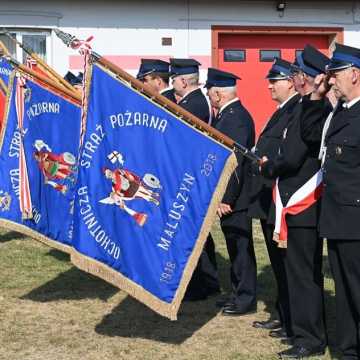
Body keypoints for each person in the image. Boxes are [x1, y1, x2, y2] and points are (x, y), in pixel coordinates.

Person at [259, 45, 329, 358]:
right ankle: (299, 330)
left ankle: (310, 339)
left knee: (303, 275)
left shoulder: (314, 108)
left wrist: (268, 166)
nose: (296, 78)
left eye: (300, 73)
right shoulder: (302, 106)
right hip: (294, 202)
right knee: (295, 272)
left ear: (310, 78)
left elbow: (294, 155)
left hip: (304, 204)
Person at [301, 43, 360, 360]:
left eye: (336, 74)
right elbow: (312, 136)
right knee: (345, 292)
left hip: (356, 220)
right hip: (337, 219)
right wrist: (317, 95)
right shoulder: (341, 112)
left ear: (355, 73)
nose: (331, 79)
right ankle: (348, 349)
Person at [248, 58, 300, 336]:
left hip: (282, 197)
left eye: (274, 80)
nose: (269, 86)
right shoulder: (281, 110)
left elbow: (286, 152)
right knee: (279, 266)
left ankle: (291, 319)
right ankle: (283, 314)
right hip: (269, 197)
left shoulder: (294, 110)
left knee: (286, 265)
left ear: (290, 82)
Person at [205, 67, 256, 316]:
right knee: (234, 246)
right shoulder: (228, 114)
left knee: (241, 248)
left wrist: (227, 198)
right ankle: (237, 293)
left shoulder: (235, 117)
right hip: (232, 196)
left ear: (217, 94)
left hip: (237, 197)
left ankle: (245, 298)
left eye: (210, 91)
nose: (209, 96)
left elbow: (235, 160)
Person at [169, 58, 219, 300]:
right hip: (188, 173)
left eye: (174, 79)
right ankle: (204, 280)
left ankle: (202, 283)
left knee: (194, 232)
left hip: (191, 175)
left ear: (185, 80)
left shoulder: (196, 103)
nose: (173, 83)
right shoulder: (191, 101)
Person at [170, 58, 212, 124]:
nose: (172, 84)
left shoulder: (191, 105)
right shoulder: (197, 99)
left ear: (183, 82)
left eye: (173, 80)